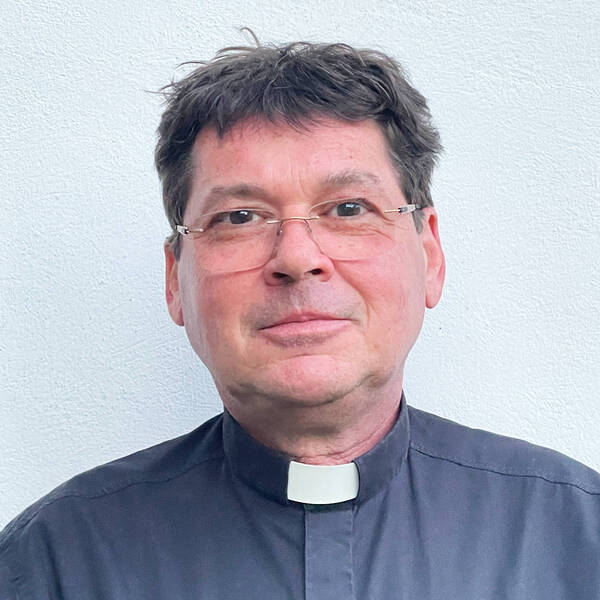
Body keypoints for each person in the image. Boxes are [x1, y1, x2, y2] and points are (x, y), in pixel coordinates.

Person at [1, 37, 598, 600]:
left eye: (348, 208)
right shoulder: (53, 564)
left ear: (430, 255)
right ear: (175, 279)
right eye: (239, 217)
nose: (296, 258)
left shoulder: (577, 538)